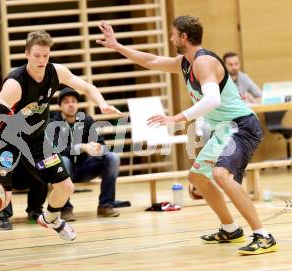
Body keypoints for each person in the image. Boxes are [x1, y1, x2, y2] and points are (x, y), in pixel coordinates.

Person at [97, 16, 278, 255]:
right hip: (224, 130)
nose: (171, 38)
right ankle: (230, 228)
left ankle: (263, 235)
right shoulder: (185, 62)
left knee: (221, 175)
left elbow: (212, 99)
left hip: (241, 126)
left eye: (173, 34)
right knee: (197, 178)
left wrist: (176, 118)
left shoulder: (203, 62)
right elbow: (151, 60)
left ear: (184, 37)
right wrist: (119, 47)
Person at [0, 30, 121, 258]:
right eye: (36, 55)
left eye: (45, 55)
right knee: (1, 198)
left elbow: (86, 87)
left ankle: (50, 218)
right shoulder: (15, 84)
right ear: (26, 54)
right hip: (8, 143)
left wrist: (102, 104)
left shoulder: (56, 72)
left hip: (37, 141)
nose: (41, 61)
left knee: (66, 187)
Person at [50, 87, 122, 221]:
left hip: (85, 168)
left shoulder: (87, 120)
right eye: (66, 101)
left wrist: (97, 148)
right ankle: (66, 209)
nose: (71, 104)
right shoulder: (53, 123)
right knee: (63, 160)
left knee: (112, 157)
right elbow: (55, 150)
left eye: (74, 101)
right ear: (60, 106)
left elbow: (101, 143)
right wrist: (82, 147)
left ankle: (105, 205)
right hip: (64, 171)